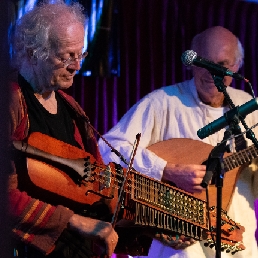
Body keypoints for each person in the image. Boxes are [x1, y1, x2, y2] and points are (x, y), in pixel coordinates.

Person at [98, 26, 258, 258]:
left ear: (236, 66)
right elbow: (108, 149)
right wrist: (167, 170)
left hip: (237, 244)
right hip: (176, 249)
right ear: (191, 62)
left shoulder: (250, 108)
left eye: (222, 65)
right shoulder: (163, 103)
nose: (212, 74)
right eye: (204, 63)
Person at [9, 1, 118, 257]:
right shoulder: (11, 102)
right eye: (66, 56)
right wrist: (74, 220)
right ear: (34, 52)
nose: (76, 66)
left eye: (81, 54)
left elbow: (98, 186)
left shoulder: (72, 110)